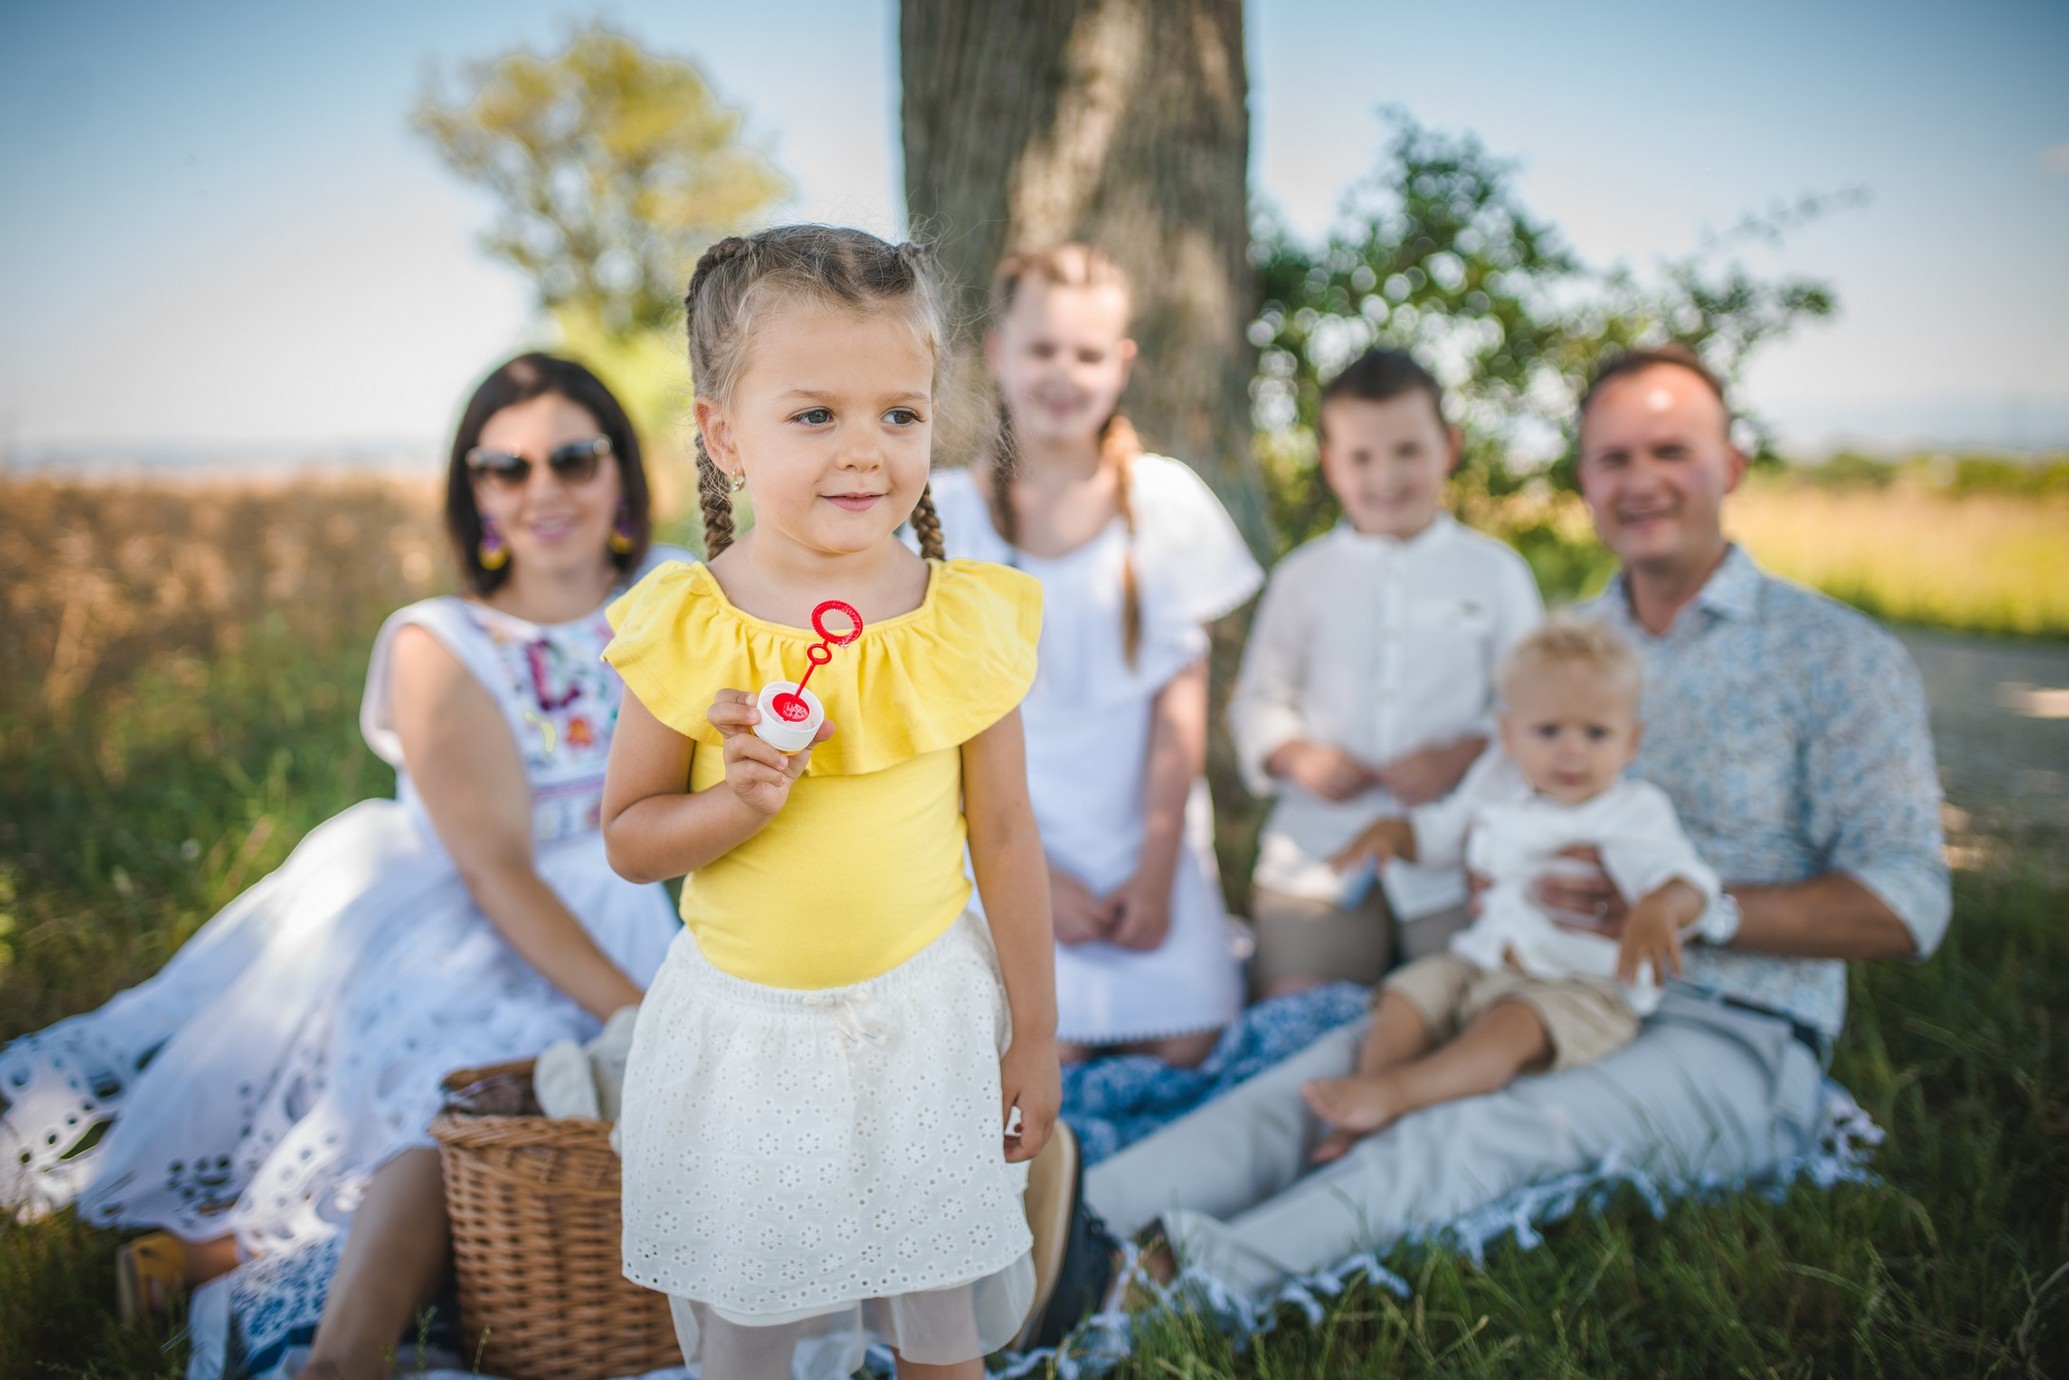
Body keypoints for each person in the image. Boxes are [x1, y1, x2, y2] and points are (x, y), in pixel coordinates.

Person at [1023, 343, 1950, 1323]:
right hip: (1525, 972)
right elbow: (1482, 805)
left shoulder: (1835, 654)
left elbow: (1908, 900)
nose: (1638, 481)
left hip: (1725, 1025)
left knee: (1475, 1126)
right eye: (1610, 459)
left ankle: (1165, 1292)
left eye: (1669, 452)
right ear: (1584, 481)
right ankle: (1057, 1230)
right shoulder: (1560, 647)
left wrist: (1687, 910)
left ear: (1730, 464)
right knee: (1317, 1079)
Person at [0, 354, 688, 1379]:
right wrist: (649, 1017)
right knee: (465, 1120)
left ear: (622, 477)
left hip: (648, 899)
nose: (543, 490)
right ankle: (340, 1358)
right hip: (478, 926)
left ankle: (202, 1257)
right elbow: (500, 873)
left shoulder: (678, 595)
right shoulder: (440, 642)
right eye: (505, 468)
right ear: (475, 496)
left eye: (573, 458)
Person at [598, 225, 1060, 1380]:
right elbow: (629, 840)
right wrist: (733, 812)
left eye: (898, 415)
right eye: (815, 416)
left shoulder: (957, 621)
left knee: (935, 1327)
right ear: (723, 436)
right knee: (751, 1328)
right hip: (751, 1041)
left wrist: (1036, 1034)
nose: (865, 451)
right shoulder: (690, 623)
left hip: (926, 1028)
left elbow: (1004, 837)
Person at [930, 244, 1262, 1068]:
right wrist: (1034, 880)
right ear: (998, 355)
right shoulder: (944, 518)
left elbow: (1181, 705)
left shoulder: (1165, 500)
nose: (1061, 373)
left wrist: (1155, 870)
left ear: (1120, 366)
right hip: (1007, 842)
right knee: (1049, 1058)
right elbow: (939, 729)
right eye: (1041, 349)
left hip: (1146, 846)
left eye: (1086, 354)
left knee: (1190, 1046)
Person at [1302, 617, 1721, 1164]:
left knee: (1510, 1029)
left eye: (1596, 734)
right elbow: (1440, 833)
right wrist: (1394, 834)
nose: (1572, 752)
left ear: (1632, 742)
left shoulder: (1632, 811)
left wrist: (1660, 907)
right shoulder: (1497, 778)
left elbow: (1691, 880)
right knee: (1406, 997)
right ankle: (1367, 1102)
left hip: (1581, 985)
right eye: (1548, 732)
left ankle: (1398, 1094)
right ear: (1508, 735)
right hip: (1483, 961)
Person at [1229, 348, 1541, 996]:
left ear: (1448, 446)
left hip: (1457, 851)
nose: (1385, 477)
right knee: (1299, 1014)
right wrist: (1295, 755)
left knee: (1456, 1007)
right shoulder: (1303, 578)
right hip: (1318, 853)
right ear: (1330, 463)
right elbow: (1259, 700)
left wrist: (1463, 751)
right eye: (1361, 458)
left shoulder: (1494, 573)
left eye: (1407, 451)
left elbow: (1531, 706)